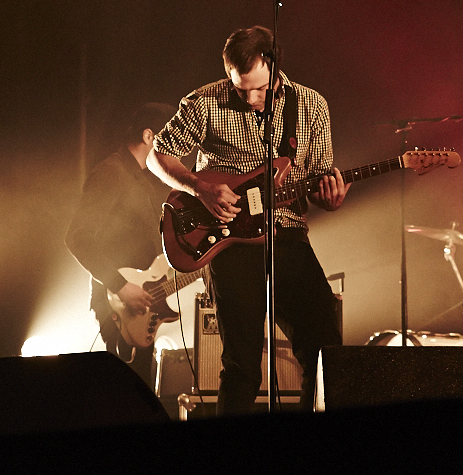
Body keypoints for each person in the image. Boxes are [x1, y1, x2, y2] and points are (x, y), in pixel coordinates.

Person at [147, 26, 347, 414]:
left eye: (261, 89)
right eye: (242, 90)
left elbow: (319, 179)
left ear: (276, 68)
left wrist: (331, 198)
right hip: (230, 242)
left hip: (287, 234)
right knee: (242, 365)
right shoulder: (205, 101)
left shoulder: (311, 105)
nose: (253, 99)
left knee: (325, 353)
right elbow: (159, 155)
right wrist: (199, 187)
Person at [65, 102, 176, 389]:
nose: (176, 151)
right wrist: (122, 286)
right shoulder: (111, 172)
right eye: (171, 141)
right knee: (122, 390)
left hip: (142, 302)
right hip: (118, 301)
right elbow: (77, 237)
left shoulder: (145, 180)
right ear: (149, 136)